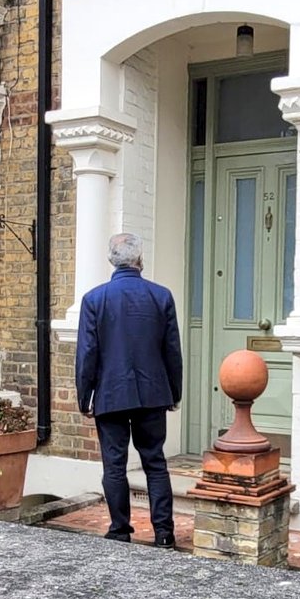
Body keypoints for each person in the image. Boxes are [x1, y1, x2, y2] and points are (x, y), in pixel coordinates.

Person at [75, 233, 184, 549]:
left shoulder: (94, 299)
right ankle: (164, 533)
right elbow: (171, 352)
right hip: (152, 394)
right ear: (139, 259)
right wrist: (174, 393)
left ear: (112, 260)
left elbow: (87, 354)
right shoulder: (160, 296)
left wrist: (85, 396)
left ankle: (120, 530)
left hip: (110, 394)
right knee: (155, 462)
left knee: (114, 464)